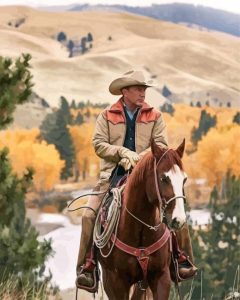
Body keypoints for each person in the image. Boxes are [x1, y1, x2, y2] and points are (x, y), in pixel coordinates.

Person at [76, 70, 197, 291]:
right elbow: (99, 144)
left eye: (144, 89)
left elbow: (161, 146)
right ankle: (87, 266)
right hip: (113, 175)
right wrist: (122, 152)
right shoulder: (107, 116)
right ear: (125, 91)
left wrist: (140, 158)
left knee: (176, 211)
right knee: (88, 215)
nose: (143, 93)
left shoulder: (155, 116)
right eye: (138, 89)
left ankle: (181, 259)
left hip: (147, 176)